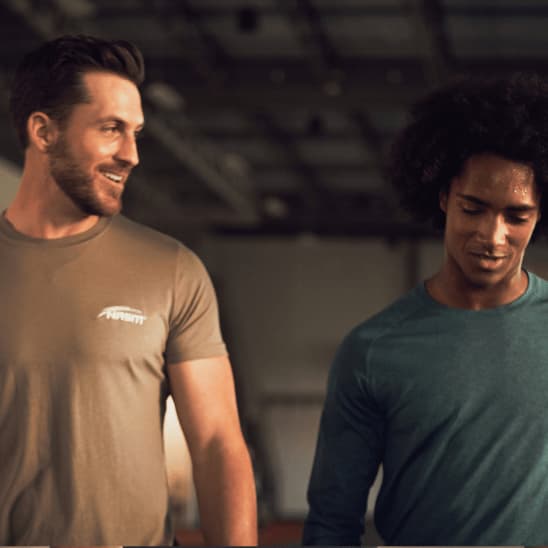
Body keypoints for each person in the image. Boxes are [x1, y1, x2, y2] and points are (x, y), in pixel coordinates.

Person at [0, 35, 257, 545]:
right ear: (43, 131)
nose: (132, 154)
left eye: (136, 132)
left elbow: (216, 445)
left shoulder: (172, 271)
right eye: (111, 129)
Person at [303, 73, 548, 545]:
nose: (492, 236)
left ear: (538, 216)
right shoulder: (373, 350)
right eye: (473, 208)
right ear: (443, 198)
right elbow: (333, 520)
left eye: (516, 216)